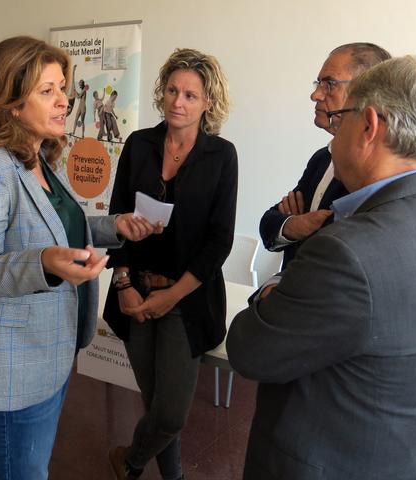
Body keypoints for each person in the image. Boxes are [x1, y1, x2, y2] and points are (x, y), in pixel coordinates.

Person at [227, 56, 416, 480]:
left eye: (340, 118)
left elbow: (247, 348)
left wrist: (274, 288)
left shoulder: (347, 252)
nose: (332, 131)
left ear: (369, 126)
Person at [0, 36, 158, 480]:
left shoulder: (36, 155)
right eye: (48, 91)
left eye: (63, 88)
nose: (64, 101)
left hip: (47, 353)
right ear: (11, 102)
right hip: (9, 367)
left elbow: (57, 228)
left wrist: (114, 226)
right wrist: (42, 263)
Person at [103, 48, 237, 480]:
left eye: (190, 95)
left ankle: (129, 460)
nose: (178, 102)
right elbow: (117, 217)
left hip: (187, 299)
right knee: (156, 401)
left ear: (208, 103)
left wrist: (171, 296)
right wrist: (123, 285)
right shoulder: (139, 144)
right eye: (172, 91)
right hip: (135, 291)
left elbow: (219, 241)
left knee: (171, 413)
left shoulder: (222, 156)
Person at [259, 43, 390, 270]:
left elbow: (337, 253)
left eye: (329, 84)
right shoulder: (322, 158)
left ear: (366, 94)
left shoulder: (372, 173)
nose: (315, 95)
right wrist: (296, 224)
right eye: (318, 83)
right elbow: (268, 223)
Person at [71, 67, 87, 138]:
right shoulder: (82, 90)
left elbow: (78, 96)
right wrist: (75, 91)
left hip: (83, 107)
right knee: (75, 119)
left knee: (82, 121)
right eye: (79, 83)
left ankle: (83, 134)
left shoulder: (84, 90)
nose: (79, 84)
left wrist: (75, 92)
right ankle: (73, 132)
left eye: (80, 83)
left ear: (83, 84)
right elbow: (79, 95)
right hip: (80, 106)